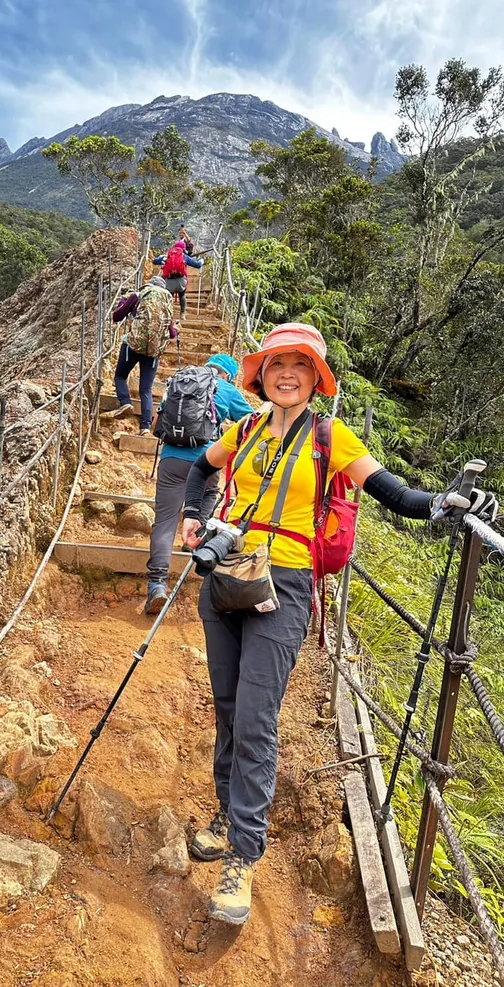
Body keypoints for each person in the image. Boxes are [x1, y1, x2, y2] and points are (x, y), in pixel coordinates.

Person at [180, 322, 498, 927]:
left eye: (301, 365)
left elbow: (393, 493)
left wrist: (444, 504)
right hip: (228, 574)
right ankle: (226, 813)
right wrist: (196, 518)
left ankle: (244, 854)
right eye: (278, 364)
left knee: (254, 717)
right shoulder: (242, 429)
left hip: (288, 585)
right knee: (226, 704)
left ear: (316, 379)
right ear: (262, 374)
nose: (288, 374)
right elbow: (201, 470)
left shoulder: (331, 436)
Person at [145, 354, 255, 615]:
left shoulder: (178, 383)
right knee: (210, 493)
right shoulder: (226, 389)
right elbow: (255, 423)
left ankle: (157, 585)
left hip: (172, 459)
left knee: (165, 521)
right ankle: (193, 539)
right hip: (206, 460)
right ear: (228, 374)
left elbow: (155, 427)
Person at [108, 275, 175, 435]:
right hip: (153, 351)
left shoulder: (138, 296)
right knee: (146, 389)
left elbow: (117, 316)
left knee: (120, 377)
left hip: (132, 345)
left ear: (148, 286)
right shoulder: (165, 304)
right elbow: (172, 333)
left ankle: (125, 402)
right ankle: (145, 427)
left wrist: (125, 302)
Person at [153, 240, 204, 319]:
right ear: (183, 248)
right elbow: (197, 265)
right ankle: (182, 314)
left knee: (169, 297)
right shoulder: (184, 256)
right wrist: (201, 261)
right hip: (181, 281)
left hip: (169, 281)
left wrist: (161, 259)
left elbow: (155, 261)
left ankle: (168, 315)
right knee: (182, 294)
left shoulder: (167, 255)